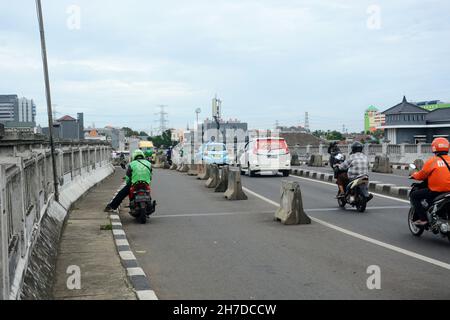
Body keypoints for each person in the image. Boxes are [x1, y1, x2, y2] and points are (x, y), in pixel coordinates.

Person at [410, 137, 450, 226]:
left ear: (434, 148)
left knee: (414, 196)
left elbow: (422, 175)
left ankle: (423, 219)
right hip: (448, 191)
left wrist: (414, 175)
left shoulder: (432, 161)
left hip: (437, 191)